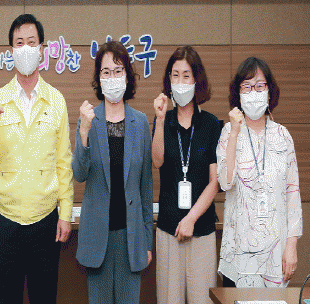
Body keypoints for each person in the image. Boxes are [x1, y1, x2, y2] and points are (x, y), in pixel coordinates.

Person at [0, 14, 74, 304]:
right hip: (7, 221)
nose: (26, 48)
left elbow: (63, 162)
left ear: (41, 48)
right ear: (11, 51)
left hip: (46, 220)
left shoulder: (56, 100)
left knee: (45, 297)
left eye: (31, 42)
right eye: (19, 43)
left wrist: (65, 213)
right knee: (7, 297)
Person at [72, 40, 153, 304]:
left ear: (127, 76)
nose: (112, 77)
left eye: (118, 71)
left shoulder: (140, 123)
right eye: (106, 72)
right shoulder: (88, 120)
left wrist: (147, 241)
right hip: (98, 238)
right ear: (98, 79)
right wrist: (84, 132)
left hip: (131, 238)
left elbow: (145, 187)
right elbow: (79, 173)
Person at [217, 57, 302, 288]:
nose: (253, 92)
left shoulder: (283, 136)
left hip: (276, 252)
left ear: (269, 90)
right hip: (238, 253)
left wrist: (291, 246)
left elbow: (293, 194)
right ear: (238, 93)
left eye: (259, 86)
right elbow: (225, 182)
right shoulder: (228, 133)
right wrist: (235, 133)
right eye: (246, 86)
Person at [152, 46, 221, 304]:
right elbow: (157, 160)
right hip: (168, 229)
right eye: (175, 75)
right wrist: (160, 121)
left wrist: (191, 218)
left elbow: (215, 182)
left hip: (201, 229)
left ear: (196, 80)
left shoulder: (211, 124)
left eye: (186, 75)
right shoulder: (163, 120)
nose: (180, 82)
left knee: (202, 299)